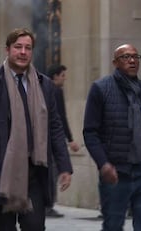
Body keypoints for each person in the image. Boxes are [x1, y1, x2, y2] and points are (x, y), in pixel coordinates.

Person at [0, 28, 73, 231]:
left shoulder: (44, 85)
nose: (23, 52)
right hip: (0, 172)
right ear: (7, 50)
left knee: (35, 226)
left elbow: (55, 127)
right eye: (18, 47)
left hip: (35, 174)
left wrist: (65, 166)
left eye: (28, 48)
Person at [83, 44, 141, 231]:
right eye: (126, 57)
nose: (132, 61)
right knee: (113, 225)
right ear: (115, 62)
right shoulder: (101, 89)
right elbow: (90, 132)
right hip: (116, 171)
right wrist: (103, 164)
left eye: (136, 57)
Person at [45, 64, 79, 218]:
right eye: (63, 75)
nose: (65, 78)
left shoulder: (45, 88)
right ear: (55, 76)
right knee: (52, 172)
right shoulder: (55, 91)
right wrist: (70, 139)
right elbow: (60, 117)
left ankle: (47, 204)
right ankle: (48, 205)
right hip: (52, 140)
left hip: (46, 139)